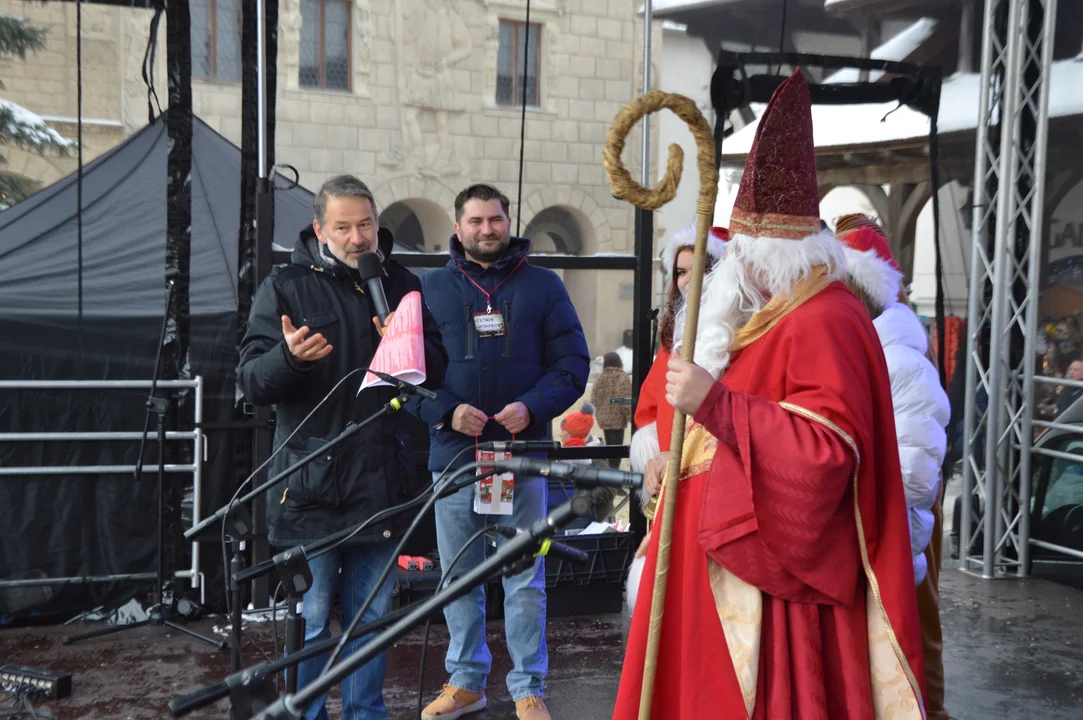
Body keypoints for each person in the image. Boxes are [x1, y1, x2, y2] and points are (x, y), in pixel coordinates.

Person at [614, 70, 926, 719]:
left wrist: (715, 404)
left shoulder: (823, 319)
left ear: (772, 253)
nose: (736, 269)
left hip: (772, 591)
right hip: (727, 572)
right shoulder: (778, 312)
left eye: (744, 253)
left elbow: (825, 456)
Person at [238, 175, 448, 720]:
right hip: (311, 487)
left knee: (372, 615)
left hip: (381, 483)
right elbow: (252, 384)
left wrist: (410, 345)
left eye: (366, 225)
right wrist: (290, 358)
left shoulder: (399, 282)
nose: (358, 238)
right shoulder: (285, 287)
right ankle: (305, 714)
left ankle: (364, 714)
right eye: (344, 227)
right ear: (318, 229)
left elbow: (439, 370)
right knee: (310, 618)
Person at [411, 183, 590, 720]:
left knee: (524, 576)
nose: (486, 229)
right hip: (456, 457)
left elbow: (573, 365)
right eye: (475, 221)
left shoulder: (544, 287)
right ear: (458, 226)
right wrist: (444, 410)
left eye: (495, 219)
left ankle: (528, 687)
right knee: (457, 576)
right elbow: (402, 376)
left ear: (508, 221)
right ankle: (466, 682)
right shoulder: (429, 289)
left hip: (520, 454)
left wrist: (533, 407)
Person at [836, 213, 952, 720]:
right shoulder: (873, 346)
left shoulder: (898, 358)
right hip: (877, 539)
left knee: (913, 650)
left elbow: (911, 476)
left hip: (892, 540)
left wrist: (878, 552)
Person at [629, 225, 727, 516]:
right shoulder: (674, 341)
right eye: (681, 273)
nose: (689, 281)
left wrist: (679, 456)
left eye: (700, 270)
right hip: (672, 482)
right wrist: (653, 460)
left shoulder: (740, 336)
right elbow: (650, 411)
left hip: (715, 485)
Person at [591, 352, 633, 467]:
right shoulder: (622, 377)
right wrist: (631, 417)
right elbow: (624, 400)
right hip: (617, 420)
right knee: (617, 452)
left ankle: (611, 475)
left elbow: (594, 399)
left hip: (604, 420)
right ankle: (615, 479)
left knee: (610, 449)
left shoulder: (600, 378)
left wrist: (600, 413)